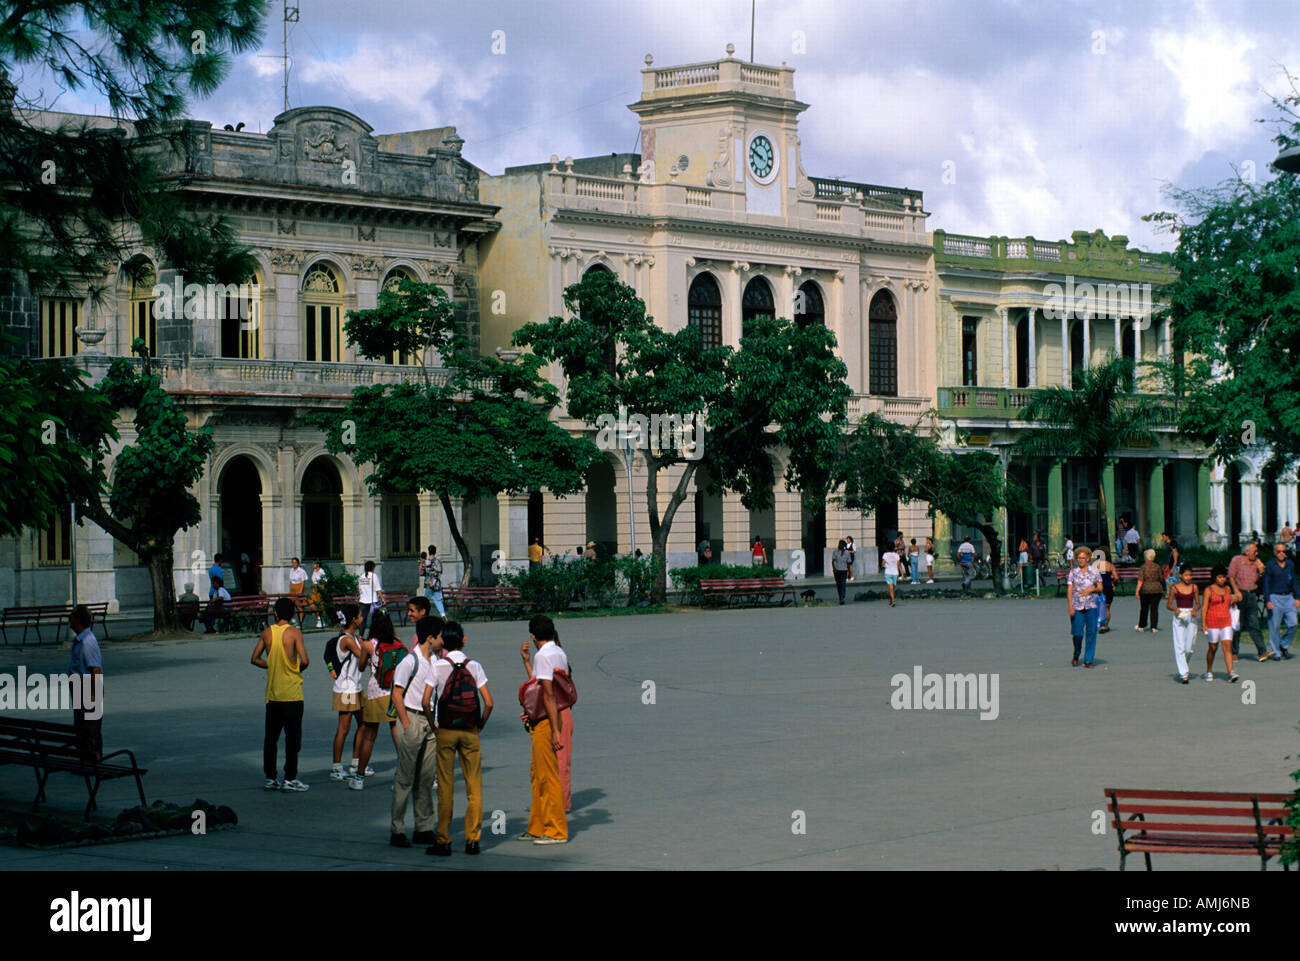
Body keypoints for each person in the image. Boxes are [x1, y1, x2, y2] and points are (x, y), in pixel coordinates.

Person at [422, 620, 493, 856]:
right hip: (470, 731)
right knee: (474, 786)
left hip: (446, 730)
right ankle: (473, 840)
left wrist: (434, 725)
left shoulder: (438, 666)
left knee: (445, 785)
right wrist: (479, 724)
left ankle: (443, 839)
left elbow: (425, 701)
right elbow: (489, 702)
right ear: (463, 640)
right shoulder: (475, 666)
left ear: (443, 641)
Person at [389, 614, 444, 848]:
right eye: (440, 636)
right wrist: (407, 723)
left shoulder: (436, 661)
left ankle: (423, 827)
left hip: (431, 722)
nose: (443, 640)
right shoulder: (410, 662)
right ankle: (397, 828)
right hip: (412, 717)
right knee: (405, 778)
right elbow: (396, 693)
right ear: (430, 638)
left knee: (426, 776)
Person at [251, 597, 310, 791]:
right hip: (292, 693)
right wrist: (295, 669)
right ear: (292, 614)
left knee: (271, 738)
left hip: (273, 694)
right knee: (292, 739)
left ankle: (270, 777)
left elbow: (255, 658)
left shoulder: (267, 633)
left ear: (275, 613)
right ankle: (290, 778)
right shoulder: (294, 633)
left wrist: (271, 665)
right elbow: (305, 660)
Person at [518, 614, 568, 845]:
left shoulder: (543, 655)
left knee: (547, 775)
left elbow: (547, 694)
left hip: (547, 719)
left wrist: (554, 730)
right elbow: (543, 685)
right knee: (537, 773)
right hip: (552, 715)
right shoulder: (559, 653)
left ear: (533, 635)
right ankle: (538, 826)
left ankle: (556, 829)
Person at [353, 610, 407, 783]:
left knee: (369, 735)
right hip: (394, 692)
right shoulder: (397, 642)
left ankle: (359, 777)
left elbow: (361, 667)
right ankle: (405, 772)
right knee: (397, 733)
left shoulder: (369, 645)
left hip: (376, 692)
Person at [329, 604, 368, 789]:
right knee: (343, 728)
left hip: (356, 688)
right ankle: (336, 767)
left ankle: (355, 762)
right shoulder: (347, 640)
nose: (362, 618)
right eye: (360, 616)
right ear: (354, 619)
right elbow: (363, 657)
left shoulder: (356, 638)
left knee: (364, 723)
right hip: (346, 689)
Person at [67, 606, 103, 759]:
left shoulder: (88, 642)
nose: (69, 622)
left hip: (86, 687)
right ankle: (84, 757)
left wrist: (93, 696)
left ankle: (93, 757)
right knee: (81, 724)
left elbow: (95, 669)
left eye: (72, 618)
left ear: (78, 620)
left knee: (90, 726)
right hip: (79, 686)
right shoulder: (80, 640)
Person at [1228, 542, 1268, 660]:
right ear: (1246, 552)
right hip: (1239, 594)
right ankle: (1234, 652)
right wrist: (1236, 591)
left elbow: (1256, 581)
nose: (1257, 553)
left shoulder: (1257, 562)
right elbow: (1231, 576)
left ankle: (1262, 651)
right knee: (1237, 625)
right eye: (1254, 551)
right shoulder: (1236, 560)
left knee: (1254, 623)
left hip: (1251, 594)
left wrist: (1260, 572)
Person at [1200, 565, 1240, 683]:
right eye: (1219, 577)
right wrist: (1203, 624)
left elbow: (1229, 602)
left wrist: (1233, 600)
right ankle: (1209, 671)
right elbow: (1204, 608)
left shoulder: (1227, 589)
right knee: (1213, 648)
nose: (1222, 579)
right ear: (1214, 578)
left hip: (1226, 621)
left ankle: (1230, 672)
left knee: (1227, 646)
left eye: (1223, 577)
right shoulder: (1209, 590)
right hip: (1212, 622)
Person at [1066, 546, 1103, 668]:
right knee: (1077, 633)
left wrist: (1091, 589)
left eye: (1083, 558)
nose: (1081, 560)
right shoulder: (1073, 572)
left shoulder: (1094, 571)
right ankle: (1076, 654)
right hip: (1077, 606)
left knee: (1091, 632)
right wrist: (1070, 606)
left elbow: (1100, 587)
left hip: (1091, 605)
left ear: (1088, 558)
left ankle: (1088, 659)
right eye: (1079, 558)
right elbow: (1070, 589)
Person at [1263, 543, 1299, 662]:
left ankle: (1283, 645)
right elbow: (1266, 584)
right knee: (1274, 626)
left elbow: (1294, 581)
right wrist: (1267, 600)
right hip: (1275, 597)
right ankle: (1276, 652)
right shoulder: (1270, 565)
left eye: (1283, 551)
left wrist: (1297, 597)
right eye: (1278, 551)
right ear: (1274, 553)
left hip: (1288, 597)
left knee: (1293, 623)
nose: (1281, 553)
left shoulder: (1290, 564)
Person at [1166, 565, 1199, 684]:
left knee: (1189, 648)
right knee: (1179, 645)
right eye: (1186, 575)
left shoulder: (1194, 587)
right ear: (1180, 575)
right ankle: (1184, 673)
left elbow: (1198, 603)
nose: (1188, 577)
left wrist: (1195, 609)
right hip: (1179, 616)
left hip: (1190, 614)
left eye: (1190, 575)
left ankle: (1183, 665)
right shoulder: (1175, 588)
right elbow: (1168, 604)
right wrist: (1175, 609)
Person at [1135, 549, 1164, 632]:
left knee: (1144, 608)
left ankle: (1142, 625)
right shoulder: (1157, 566)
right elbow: (1161, 578)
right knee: (1154, 608)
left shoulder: (1143, 567)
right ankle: (1154, 626)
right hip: (1157, 589)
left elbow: (1140, 580)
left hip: (1145, 590)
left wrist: (1137, 591)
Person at [1094, 548, 1116, 633]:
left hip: (1099, 587)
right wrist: (1114, 583)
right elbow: (1116, 577)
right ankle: (1105, 625)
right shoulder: (1110, 565)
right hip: (1108, 587)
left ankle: (1100, 624)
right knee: (1107, 607)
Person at [420, 546, 446, 617]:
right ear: (435, 551)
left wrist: (421, 566)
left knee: (426, 601)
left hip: (428, 584)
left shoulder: (425, 562)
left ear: (428, 551)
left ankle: (424, 615)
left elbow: (421, 573)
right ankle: (443, 615)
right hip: (436, 585)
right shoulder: (438, 561)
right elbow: (440, 572)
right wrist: (434, 580)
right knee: (438, 601)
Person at [358, 560, 383, 629]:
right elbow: (378, 589)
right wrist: (382, 599)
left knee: (363, 620)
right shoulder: (374, 576)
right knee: (375, 619)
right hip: (372, 602)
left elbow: (360, 589)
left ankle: (360, 635)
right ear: (373, 568)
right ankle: (373, 635)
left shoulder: (361, 577)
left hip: (362, 601)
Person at [830, 539, 851, 605]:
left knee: (843, 584)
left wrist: (849, 573)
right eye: (839, 544)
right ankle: (840, 597)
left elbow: (848, 563)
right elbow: (833, 561)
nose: (840, 545)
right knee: (838, 584)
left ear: (844, 545)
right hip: (837, 571)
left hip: (844, 570)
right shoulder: (835, 552)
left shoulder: (847, 553)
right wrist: (834, 568)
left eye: (841, 544)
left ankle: (842, 597)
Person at [881, 542, 901, 607]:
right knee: (892, 587)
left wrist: (886, 565)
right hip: (895, 573)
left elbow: (883, 564)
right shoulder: (896, 555)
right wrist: (902, 574)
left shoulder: (885, 555)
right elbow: (899, 565)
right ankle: (892, 599)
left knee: (891, 587)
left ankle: (892, 599)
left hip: (888, 572)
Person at [309, 560, 327, 628]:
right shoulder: (314, 572)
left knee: (321, 604)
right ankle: (318, 618)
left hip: (320, 588)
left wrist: (322, 591)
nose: (313, 565)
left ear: (318, 564)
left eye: (314, 564)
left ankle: (322, 619)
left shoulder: (321, 571)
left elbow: (324, 581)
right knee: (312, 603)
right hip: (315, 589)